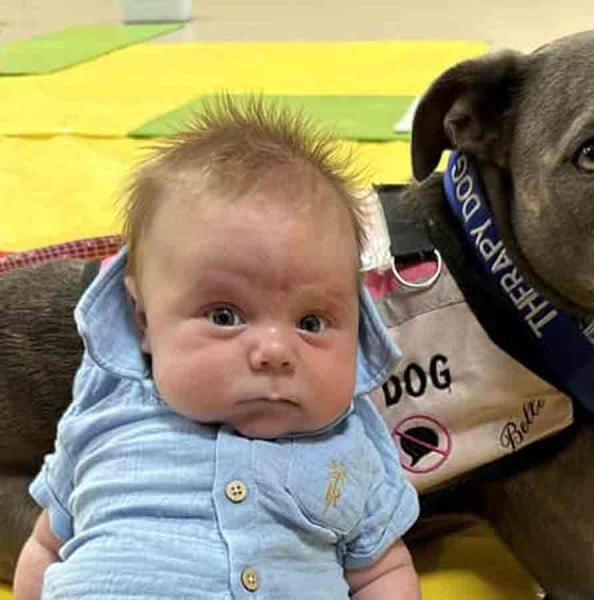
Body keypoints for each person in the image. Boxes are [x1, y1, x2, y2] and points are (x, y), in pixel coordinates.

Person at [13, 98, 420, 599]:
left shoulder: (350, 452)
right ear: (143, 320)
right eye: (225, 317)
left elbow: (381, 572)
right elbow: (47, 548)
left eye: (311, 322)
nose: (274, 350)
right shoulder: (106, 420)